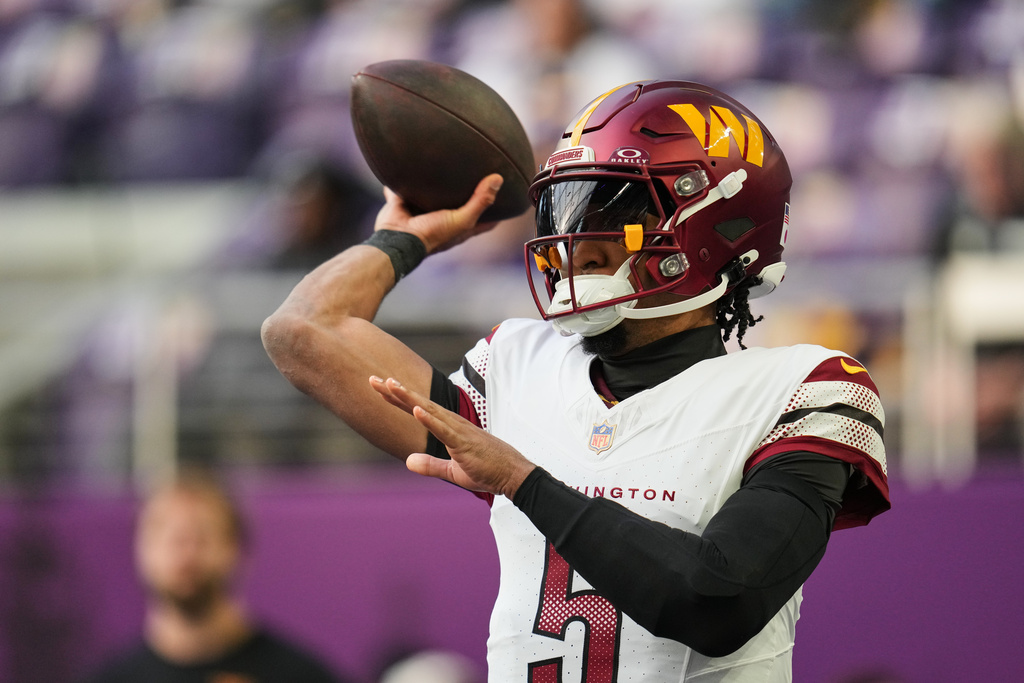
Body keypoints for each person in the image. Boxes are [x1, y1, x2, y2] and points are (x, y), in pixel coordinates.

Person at [261, 80, 891, 682]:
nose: (575, 242)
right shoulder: (518, 365)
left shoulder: (806, 390)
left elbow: (716, 602)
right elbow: (302, 331)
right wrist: (401, 240)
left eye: (618, 212)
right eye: (569, 207)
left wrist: (521, 479)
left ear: (718, 227)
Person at [83, 468, 347, 683]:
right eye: (165, 531)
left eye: (202, 532)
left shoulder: (300, 675)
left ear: (238, 549)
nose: (185, 548)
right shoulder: (110, 678)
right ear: (139, 548)